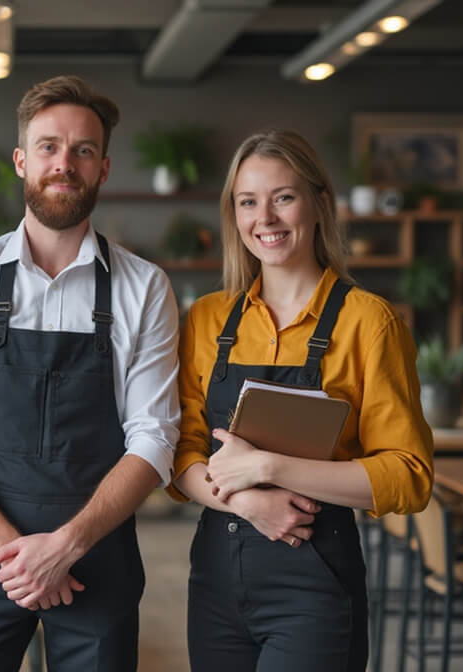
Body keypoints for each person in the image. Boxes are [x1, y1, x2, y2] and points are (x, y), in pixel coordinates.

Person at [0, 75, 180, 671]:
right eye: (49, 147)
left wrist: (67, 545)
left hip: (97, 558)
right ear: (21, 160)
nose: (65, 163)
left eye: (83, 150)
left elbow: (155, 438)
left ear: (103, 168)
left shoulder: (144, 288)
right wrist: (20, 556)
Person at [170, 130, 433, 672]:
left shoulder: (370, 323)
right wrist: (246, 502)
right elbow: (181, 454)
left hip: (314, 585)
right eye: (248, 202)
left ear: (318, 203)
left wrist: (268, 467)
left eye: (283, 197)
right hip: (216, 580)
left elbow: (408, 476)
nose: (264, 218)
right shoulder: (206, 320)